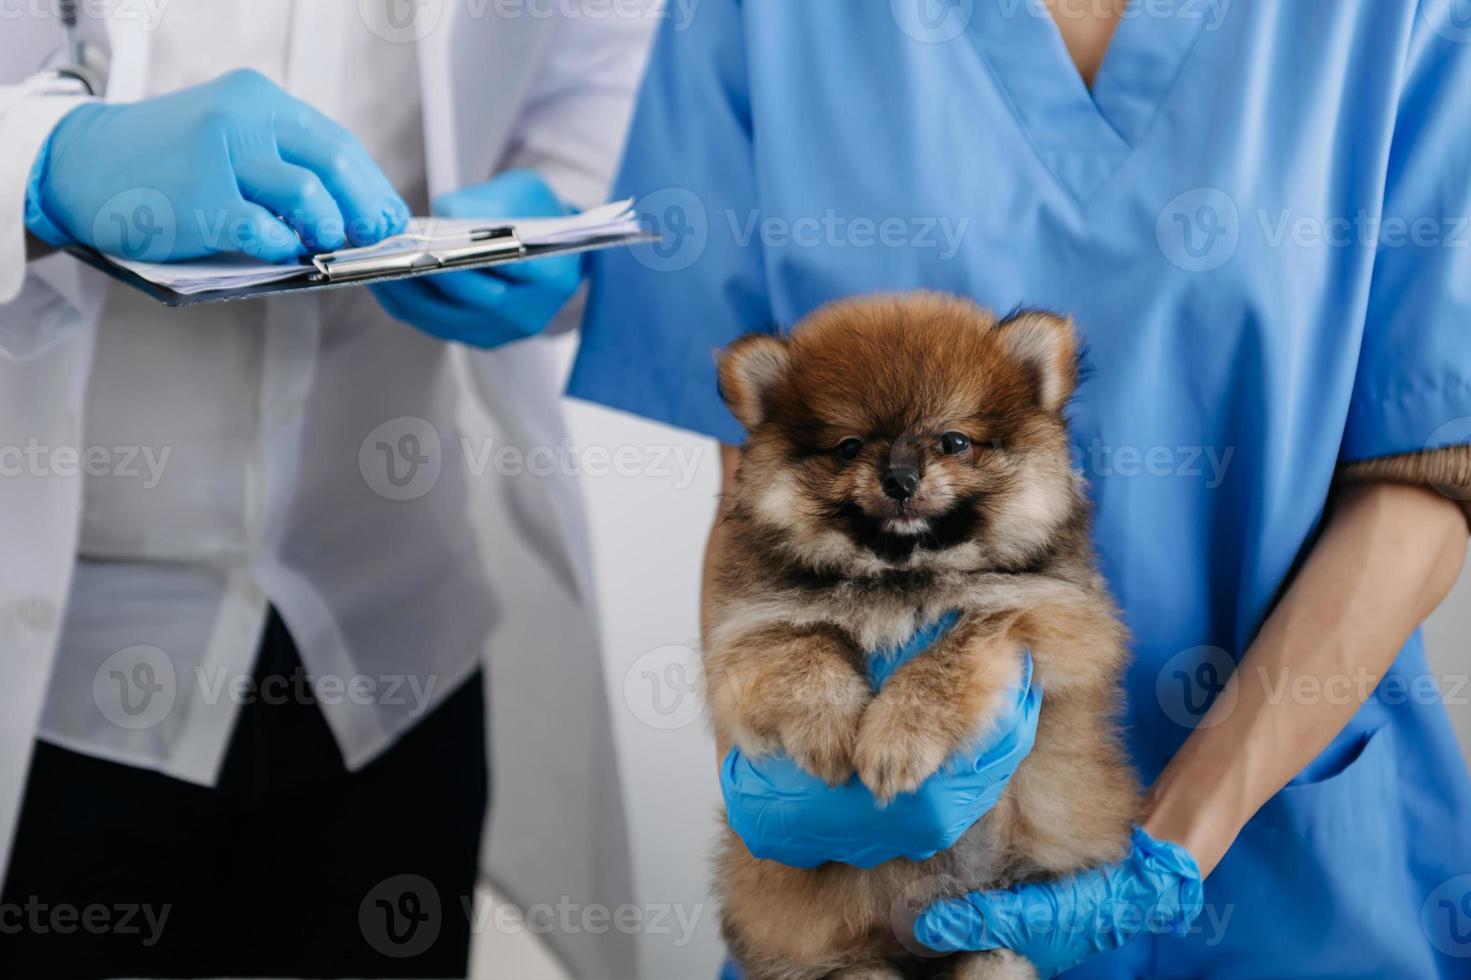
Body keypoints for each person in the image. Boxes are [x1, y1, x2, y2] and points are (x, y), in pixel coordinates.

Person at [571, 0, 1471, 974]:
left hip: (1288, 859)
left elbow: (1421, 473)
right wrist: (794, 835)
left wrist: (1172, 846)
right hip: (879, 903)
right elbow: (754, 499)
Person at [0, 3, 654, 975]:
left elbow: (603, 80)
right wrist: (40, 164)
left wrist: (555, 219)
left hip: (391, 666)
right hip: (59, 693)